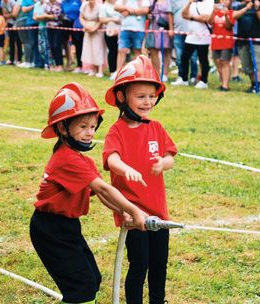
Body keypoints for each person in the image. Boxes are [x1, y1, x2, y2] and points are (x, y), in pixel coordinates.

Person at [30, 82, 148, 304]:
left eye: (93, 127)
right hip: (50, 229)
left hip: (67, 227)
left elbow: (101, 194)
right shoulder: (66, 159)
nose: (89, 133)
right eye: (83, 126)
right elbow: (104, 188)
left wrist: (122, 211)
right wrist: (134, 209)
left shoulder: (81, 159)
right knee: (81, 288)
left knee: (92, 279)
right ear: (63, 128)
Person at [103, 55, 177, 304]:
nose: (148, 102)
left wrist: (162, 163)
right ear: (122, 97)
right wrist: (125, 168)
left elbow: (170, 157)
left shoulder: (156, 127)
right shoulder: (117, 131)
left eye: (152, 96)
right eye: (141, 96)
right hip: (132, 212)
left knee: (159, 263)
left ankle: (158, 300)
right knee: (140, 264)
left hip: (159, 211)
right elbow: (111, 159)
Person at [173, 0, 213, 89]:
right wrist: (189, 3)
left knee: (203, 59)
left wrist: (191, 17)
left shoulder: (209, 2)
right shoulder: (193, 3)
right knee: (184, 57)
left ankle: (204, 81)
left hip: (203, 36)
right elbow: (183, 15)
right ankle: (184, 79)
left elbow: (206, 18)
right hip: (191, 36)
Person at [232, 0, 260, 93]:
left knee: (258, 63)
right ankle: (253, 85)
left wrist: (257, 9)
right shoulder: (239, 6)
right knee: (247, 64)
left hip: (257, 39)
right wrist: (246, 8)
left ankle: (257, 86)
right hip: (242, 40)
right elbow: (234, 16)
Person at [114, 0, 150, 73]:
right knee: (121, 50)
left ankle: (136, 72)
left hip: (138, 29)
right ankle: (118, 73)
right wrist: (127, 8)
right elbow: (116, 7)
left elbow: (145, 10)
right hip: (124, 29)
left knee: (137, 51)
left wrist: (128, 12)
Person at [209, 0, 237, 91]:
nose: (224, 1)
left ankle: (225, 85)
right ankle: (222, 81)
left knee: (224, 62)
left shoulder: (231, 12)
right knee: (217, 62)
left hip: (226, 41)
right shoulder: (216, 12)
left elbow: (229, 26)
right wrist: (212, 11)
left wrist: (226, 15)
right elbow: (210, 22)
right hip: (215, 41)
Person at [144, 0, 173, 82]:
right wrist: (148, 16)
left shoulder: (169, 1)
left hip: (166, 27)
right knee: (153, 51)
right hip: (154, 27)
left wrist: (171, 28)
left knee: (167, 51)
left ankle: (164, 74)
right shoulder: (151, 1)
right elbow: (146, 12)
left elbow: (171, 14)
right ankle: (156, 74)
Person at [79, 0, 106, 77]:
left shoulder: (100, 6)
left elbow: (100, 20)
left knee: (98, 49)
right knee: (89, 49)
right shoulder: (84, 5)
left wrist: (94, 28)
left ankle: (100, 71)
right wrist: (86, 26)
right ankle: (93, 70)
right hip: (87, 29)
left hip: (98, 30)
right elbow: (81, 17)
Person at [99, 0, 122, 79]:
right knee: (112, 51)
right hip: (110, 31)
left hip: (122, 30)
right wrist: (114, 19)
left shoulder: (120, 3)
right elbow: (101, 19)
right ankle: (113, 71)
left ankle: (120, 71)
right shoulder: (103, 6)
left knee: (121, 51)